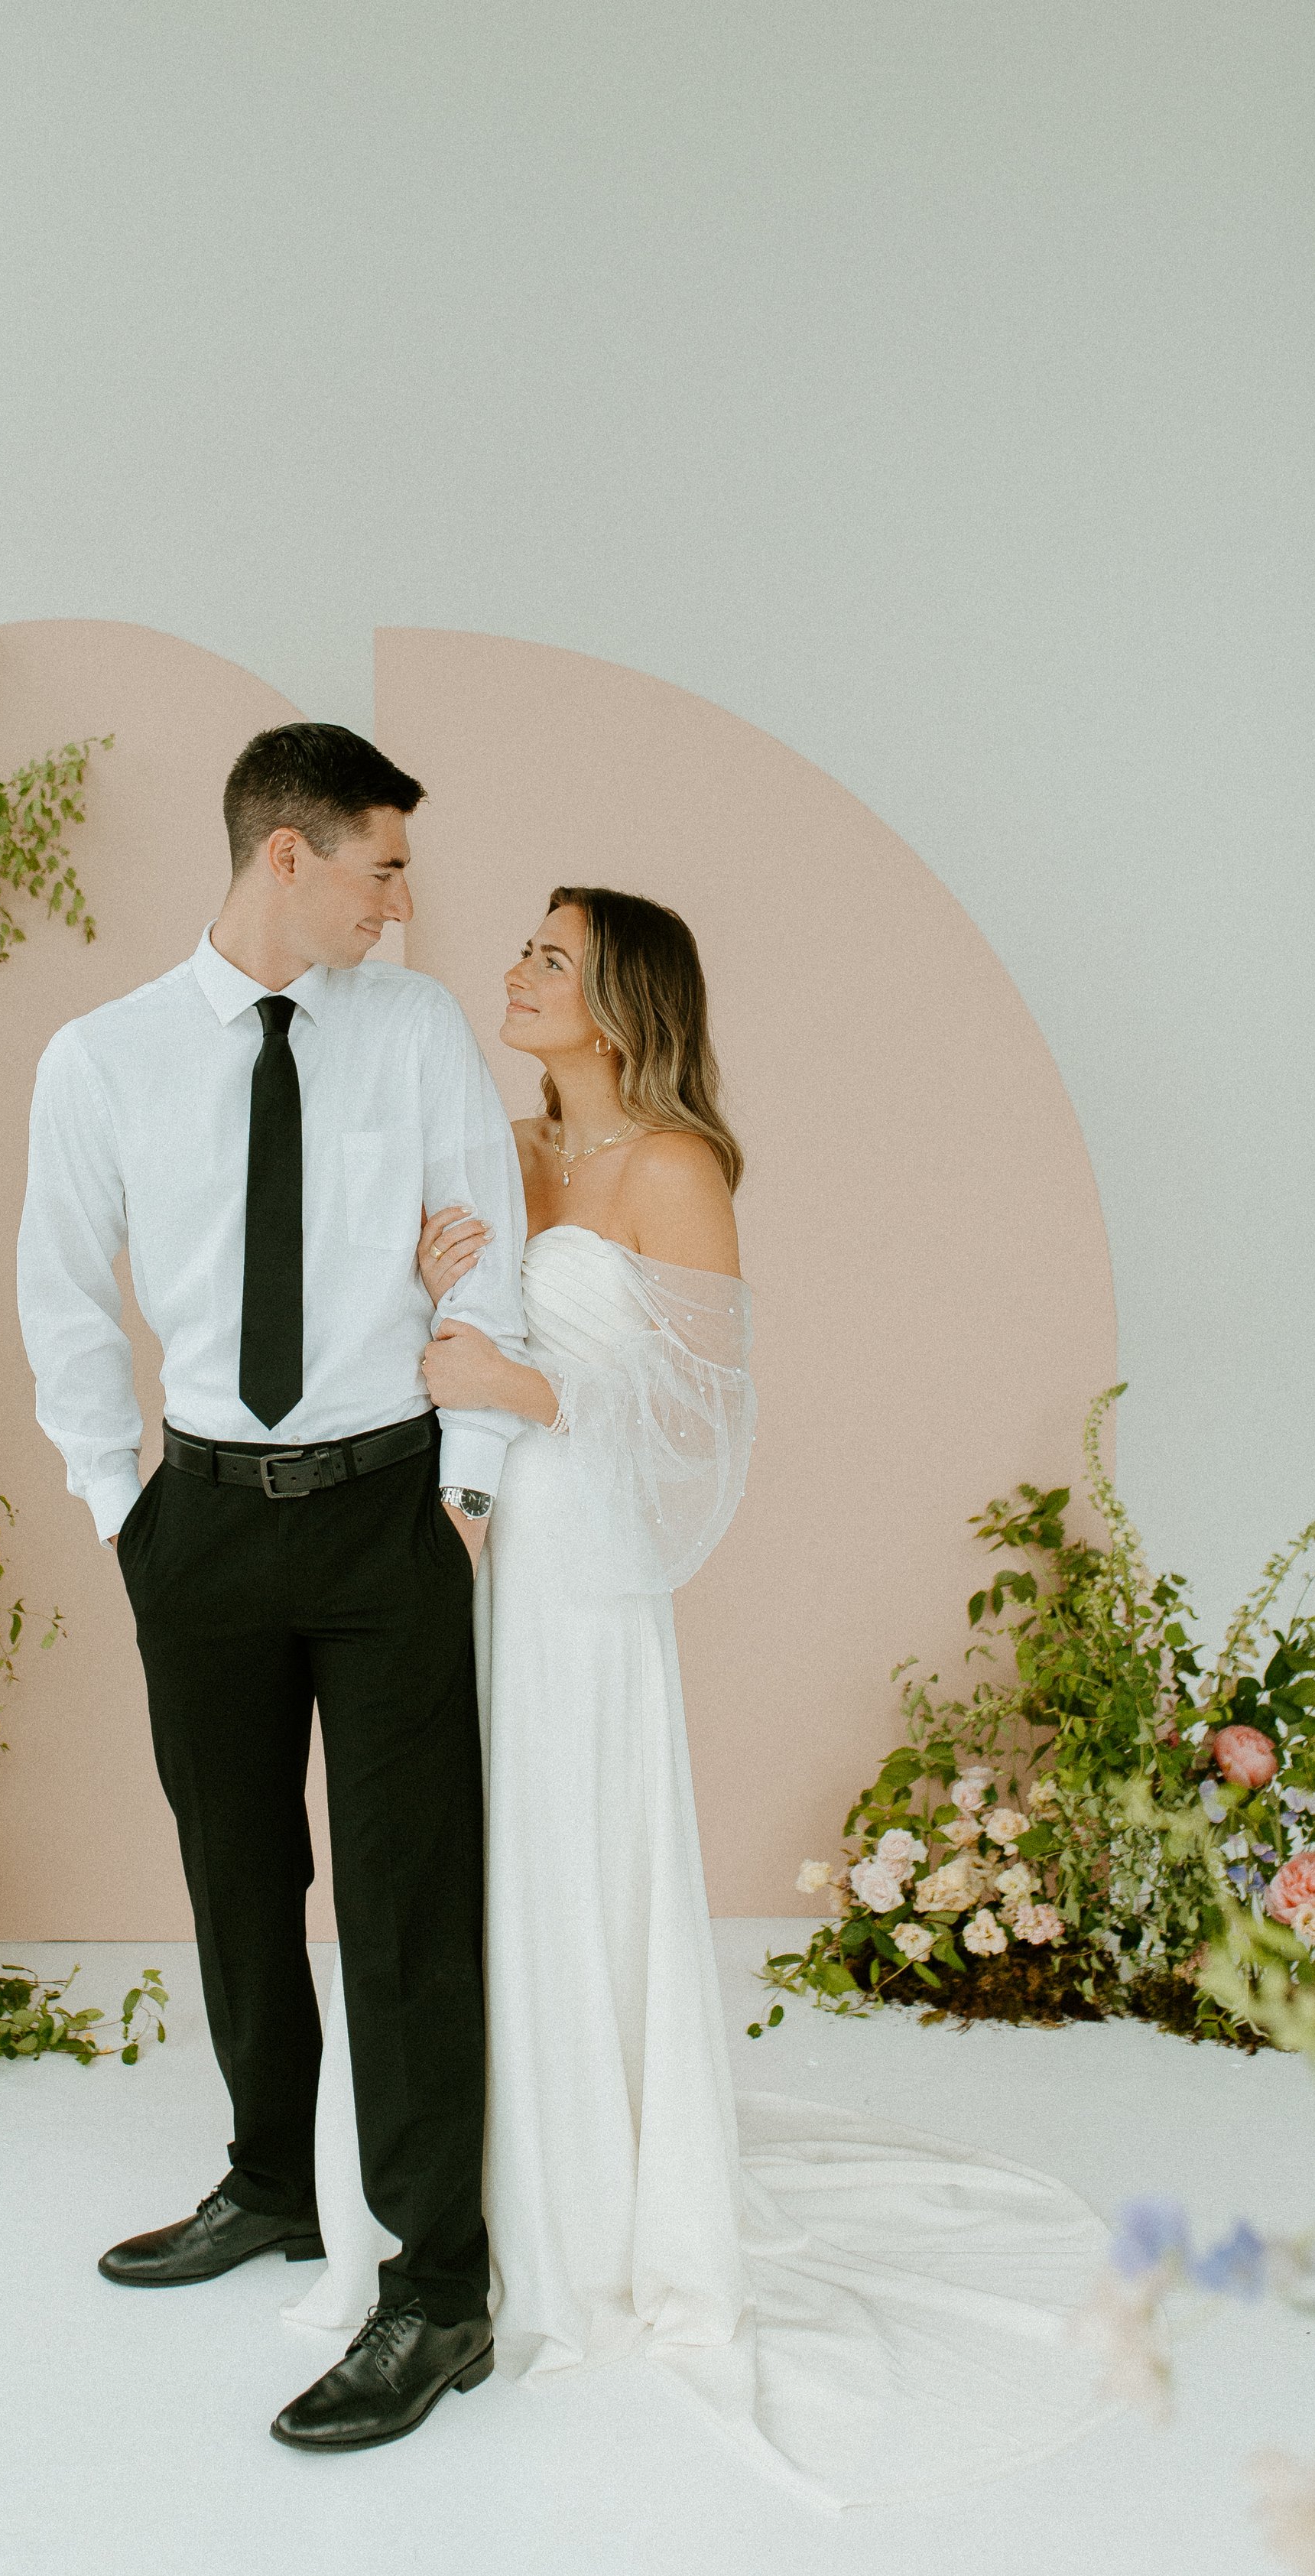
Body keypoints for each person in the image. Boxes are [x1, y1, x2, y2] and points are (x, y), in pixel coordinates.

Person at [287, 885, 1115, 2509]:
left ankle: (588, 2220)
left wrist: (508, 1381)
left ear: (621, 1001)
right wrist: (426, 1281)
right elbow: (409, 1341)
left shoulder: (673, 1168)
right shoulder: (502, 1148)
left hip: (580, 1575)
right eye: (522, 949)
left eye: (550, 957)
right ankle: (439, 2200)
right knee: (444, 1868)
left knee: (565, 1861)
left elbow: (696, 1414)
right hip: (459, 1554)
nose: (515, 973)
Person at [17, 723, 531, 2452]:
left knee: (402, 1902)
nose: (404, 902)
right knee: (238, 1872)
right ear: (286, 856)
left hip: (393, 1513)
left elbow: (494, 1250)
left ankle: (436, 2288)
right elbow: (63, 1297)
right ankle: (269, 2179)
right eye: (382, 865)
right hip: (206, 1525)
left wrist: (462, 1493)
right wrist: (125, 1509)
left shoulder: (421, 1030)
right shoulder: (102, 1057)